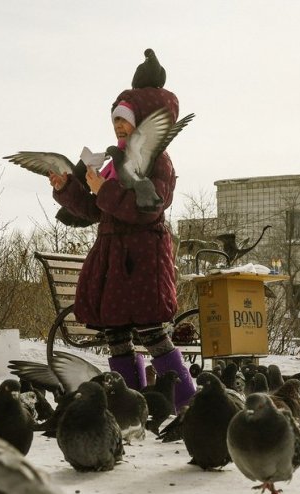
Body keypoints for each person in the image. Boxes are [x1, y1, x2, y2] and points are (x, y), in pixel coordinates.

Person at [47, 85, 196, 407]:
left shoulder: (158, 161)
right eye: (115, 119)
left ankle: (187, 401)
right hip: (111, 259)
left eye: (125, 119)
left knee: (152, 333)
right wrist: (68, 189)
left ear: (144, 122)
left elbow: (149, 209)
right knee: (115, 334)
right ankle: (128, 404)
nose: (118, 125)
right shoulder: (114, 161)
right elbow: (95, 211)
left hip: (142, 258)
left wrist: (103, 190)